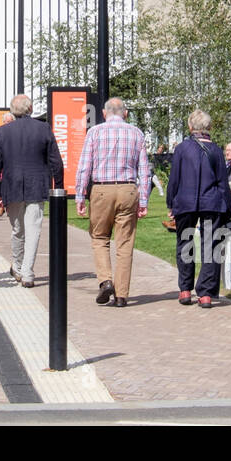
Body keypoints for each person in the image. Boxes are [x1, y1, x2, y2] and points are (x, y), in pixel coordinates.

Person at [75, 98, 152, 308]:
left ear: (103, 113)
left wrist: (81, 195)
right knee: (125, 243)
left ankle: (106, 279)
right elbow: (144, 170)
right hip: (128, 188)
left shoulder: (95, 132)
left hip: (101, 189)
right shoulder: (136, 133)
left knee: (99, 237)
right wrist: (143, 200)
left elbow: (85, 166)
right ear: (125, 113)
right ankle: (122, 295)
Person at [0, 94, 64, 289]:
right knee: (33, 230)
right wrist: (59, 185)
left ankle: (18, 265)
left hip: (11, 185)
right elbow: (55, 160)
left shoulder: (3, 132)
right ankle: (27, 272)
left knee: (17, 230)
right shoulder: (43, 128)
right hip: (37, 185)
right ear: (30, 109)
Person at [167, 109, 231, 308]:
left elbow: (174, 180)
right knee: (210, 247)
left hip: (185, 203)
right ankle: (205, 294)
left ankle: (185, 290)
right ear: (209, 127)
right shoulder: (216, 151)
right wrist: (228, 208)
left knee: (185, 244)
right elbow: (223, 183)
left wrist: (171, 203)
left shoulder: (182, 149)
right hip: (211, 203)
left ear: (190, 126)